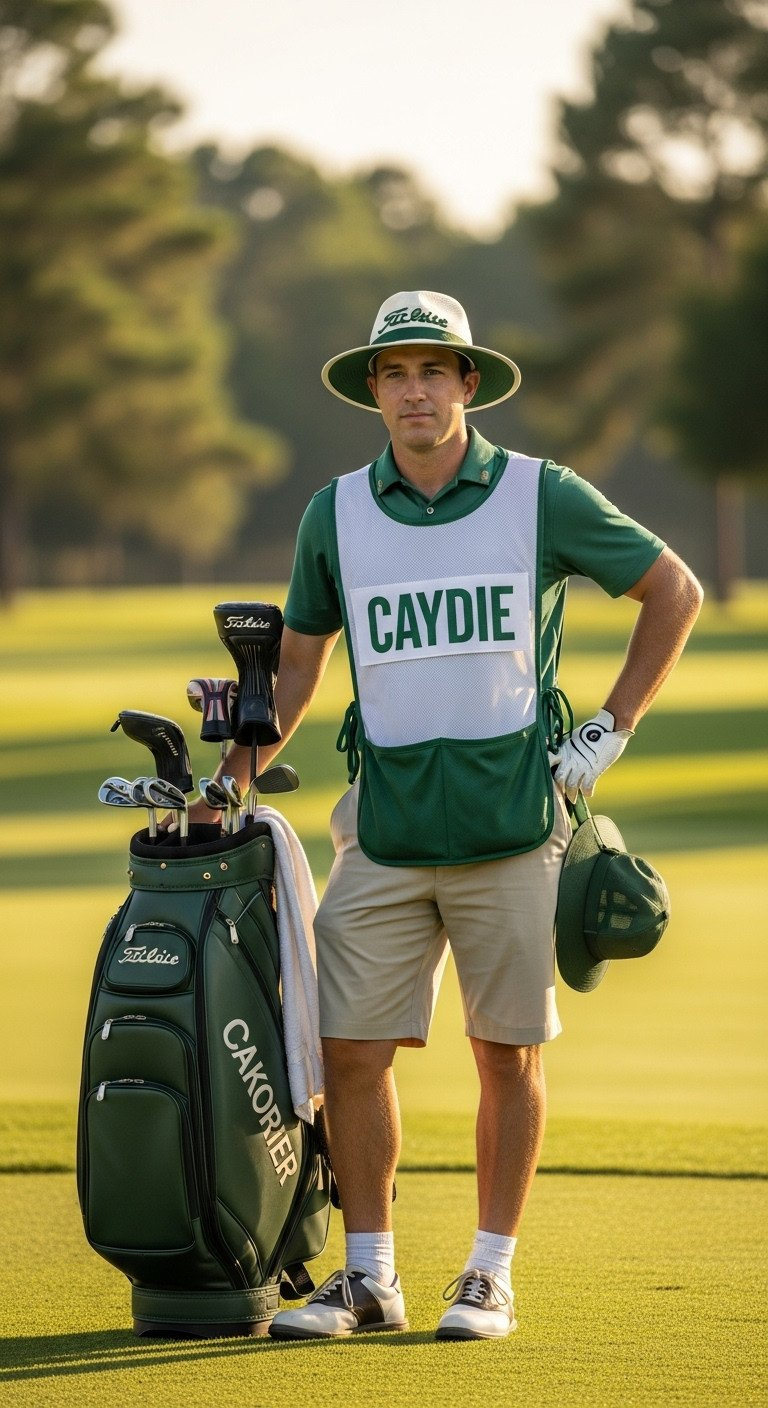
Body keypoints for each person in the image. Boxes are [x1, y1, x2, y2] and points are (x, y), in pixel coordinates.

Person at [202, 291, 703, 1342]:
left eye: (435, 369)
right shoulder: (333, 511)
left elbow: (674, 591)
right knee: (348, 1052)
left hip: (515, 827)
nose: (415, 389)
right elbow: (297, 668)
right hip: (383, 830)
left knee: (505, 1053)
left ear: (468, 384)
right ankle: (370, 1276)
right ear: (374, 391)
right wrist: (233, 774)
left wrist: (609, 730)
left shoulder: (538, 494)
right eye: (395, 372)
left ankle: (486, 1274)